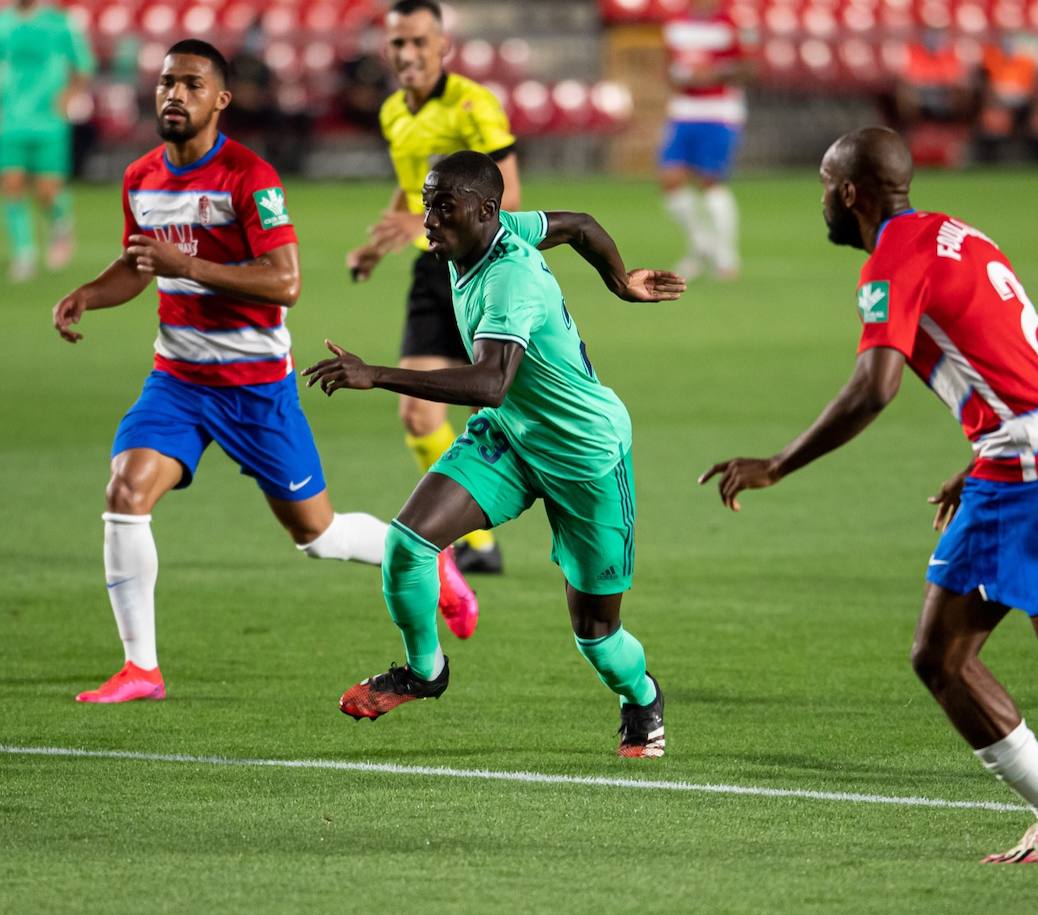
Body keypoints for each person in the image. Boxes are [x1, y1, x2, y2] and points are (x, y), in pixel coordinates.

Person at [50, 40, 476, 704]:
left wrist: (187, 266)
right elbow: (139, 264)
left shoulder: (250, 177)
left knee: (318, 535)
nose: (173, 94)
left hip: (255, 389)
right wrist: (88, 293)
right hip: (178, 381)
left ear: (220, 100)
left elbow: (285, 282)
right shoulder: (141, 178)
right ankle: (142, 668)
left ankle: (429, 559)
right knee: (126, 494)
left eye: (191, 84)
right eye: (166, 82)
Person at [699, 126, 1038, 863]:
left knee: (941, 657)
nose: (820, 198)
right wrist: (979, 452)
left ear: (849, 192)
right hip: (1016, 447)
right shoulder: (961, 234)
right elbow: (1006, 353)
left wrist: (779, 463)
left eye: (825, 184)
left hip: (1024, 465)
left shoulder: (894, 255)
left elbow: (874, 385)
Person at [305, 151, 686, 758]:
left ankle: (641, 697)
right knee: (409, 544)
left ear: (485, 212)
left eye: (442, 206)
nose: (427, 219)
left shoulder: (511, 279)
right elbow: (580, 224)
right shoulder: (493, 231)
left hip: (583, 453)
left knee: (597, 634)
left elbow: (488, 383)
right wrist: (619, 281)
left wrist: (375, 374)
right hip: (512, 434)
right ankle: (424, 672)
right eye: (426, 203)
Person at [345, 0, 521, 577]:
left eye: (420, 42)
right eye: (399, 44)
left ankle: (494, 505)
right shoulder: (394, 111)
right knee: (417, 417)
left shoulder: (473, 105)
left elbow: (509, 196)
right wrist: (381, 240)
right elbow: (409, 188)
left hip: (481, 267)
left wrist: (434, 223)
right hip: (431, 267)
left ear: (442, 46)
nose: (409, 54)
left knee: (503, 401)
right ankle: (475, 543)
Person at [0, 0, 95, 282]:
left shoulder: (59, 23)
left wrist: (70, 94)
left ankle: (60, 223)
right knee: (11, 185)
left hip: (49, 120)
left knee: (47, 190)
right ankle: (24, 253)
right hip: (9, 120)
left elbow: (83, 64)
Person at [659, 0, 751, 281]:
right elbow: (669, 66)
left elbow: (749, 67)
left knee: (711, 181)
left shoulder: (732, 21)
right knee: (670, 179)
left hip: (719, 111)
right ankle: (702, 245)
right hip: (684, 110)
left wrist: (713, 75)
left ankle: (726, 256)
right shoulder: (677, 23)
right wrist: (679, 78)